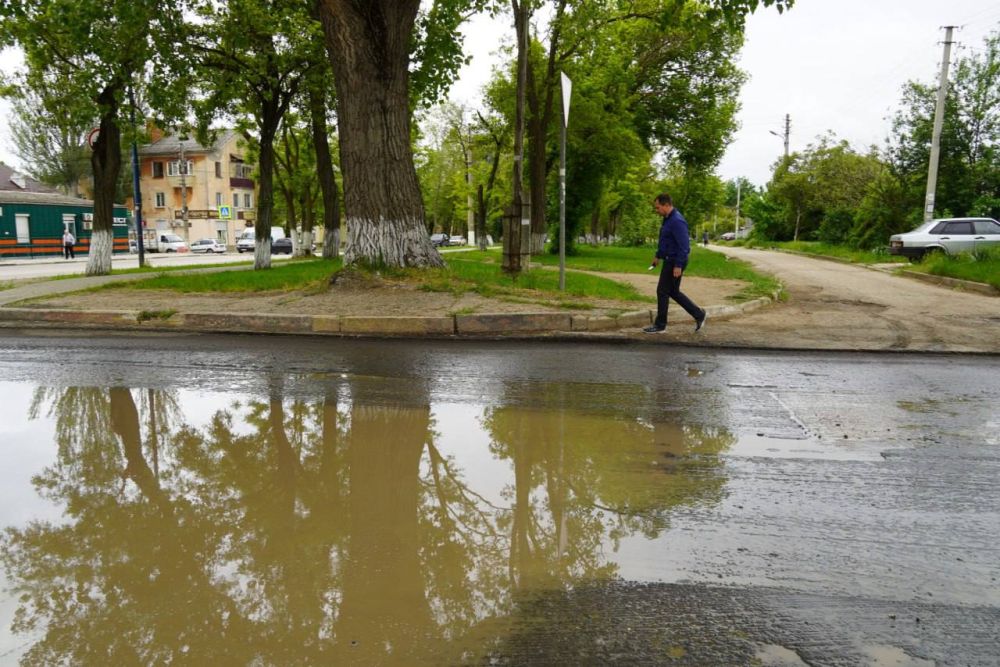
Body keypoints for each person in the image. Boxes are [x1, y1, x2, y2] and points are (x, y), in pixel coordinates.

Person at [643, 194, 707, 334]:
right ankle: (699, 314)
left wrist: (678, 265)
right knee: (672, 291)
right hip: (670, 259)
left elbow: (684, 246)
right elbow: (665, 241)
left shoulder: (677, 221)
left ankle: (660, 325)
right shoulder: (667, 219)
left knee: (662, 291)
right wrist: (658, 256)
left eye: (658, 207)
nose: (657, 210)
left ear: (666, 205)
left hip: (675, 261)